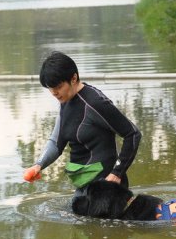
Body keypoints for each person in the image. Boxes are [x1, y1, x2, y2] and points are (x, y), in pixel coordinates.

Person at [23, 51, 142, 194]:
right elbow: (56, 142)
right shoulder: (65, 100)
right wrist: (38, 165)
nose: (54, 93)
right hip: (84, 183)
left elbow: (133, 134)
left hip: (105, 188)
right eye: (50, 88)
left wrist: (117, 173)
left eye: (58, 87)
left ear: (73, 78)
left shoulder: (95, 103)